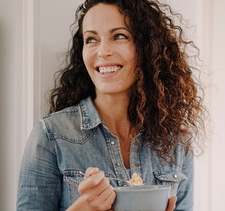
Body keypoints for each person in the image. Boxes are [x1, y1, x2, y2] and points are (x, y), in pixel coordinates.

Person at [17, 0, 207, 210]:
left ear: (146, 48)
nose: (102, 51)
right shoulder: (51, 135)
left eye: (119, 36)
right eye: (91, 39)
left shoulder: (177, 143)